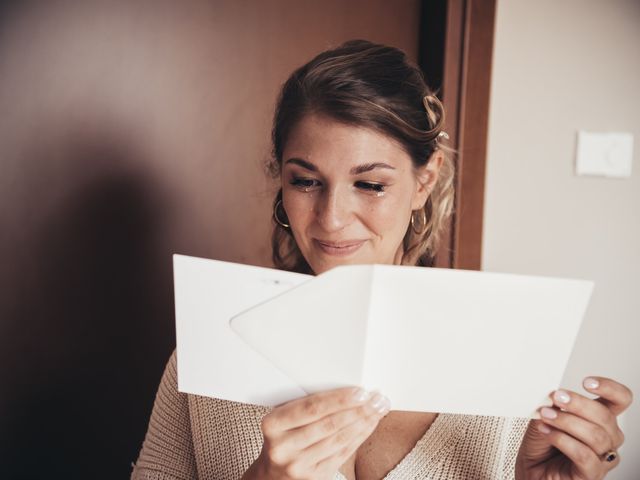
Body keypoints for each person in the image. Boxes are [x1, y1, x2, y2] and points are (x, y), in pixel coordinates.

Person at [131, 40, 632, 480]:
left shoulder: (507, 366)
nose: (331, 219)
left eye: (370, 184)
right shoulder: (208, 355)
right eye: (305, 181)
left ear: (425, 181)